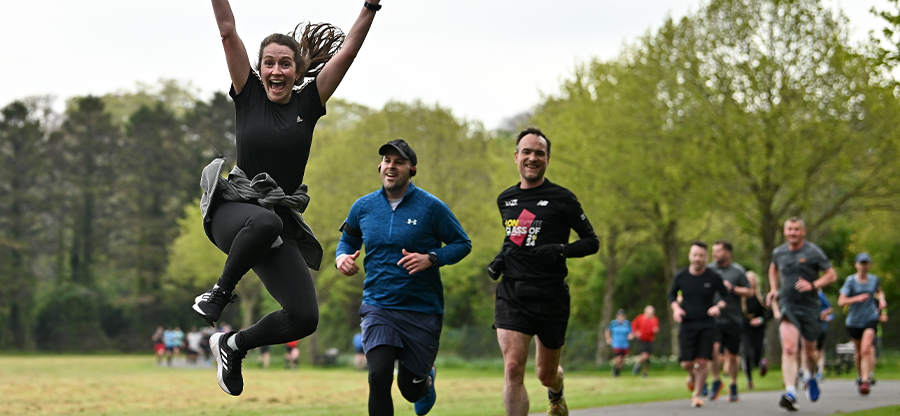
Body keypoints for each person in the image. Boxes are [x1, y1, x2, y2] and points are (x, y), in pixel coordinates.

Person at [190, 0, 384, 396]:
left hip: (274, 223)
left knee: (304, 317)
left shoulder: (308, 103)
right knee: (265, 221)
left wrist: (370, 6)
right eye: (269, 63)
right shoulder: (248, 94)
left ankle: (233, 345)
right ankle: (218, 295)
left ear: (297, 71)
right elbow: (227, 29)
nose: (276, 71)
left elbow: (348, 51)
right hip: (232, 212)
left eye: (284, 64)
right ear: (259, 69)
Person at [336, 139, 472, 416]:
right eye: (387, 160)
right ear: (379, 167)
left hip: (421, 309)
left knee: (410, 390)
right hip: (378, 306)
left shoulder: (432, 207)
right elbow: (347, 241)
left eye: (399, 161)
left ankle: (426, 378)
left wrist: (431, 258)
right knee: (378, 377)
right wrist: (342, 258)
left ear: (412, 169)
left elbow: (462, 243)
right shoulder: (363, 207)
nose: (391, 166)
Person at [488, 127, 599, 416]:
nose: (532, 158)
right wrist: (500, 260)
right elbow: (516, 237)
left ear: (548, 159)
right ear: (516, 157)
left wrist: (560, 250)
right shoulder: (506, 200)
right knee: (513, 368)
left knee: (545, 375)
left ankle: (556, 392)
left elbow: (592, 242)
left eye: (539, 153)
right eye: (527, 152)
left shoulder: (562, 198)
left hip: (550, 296)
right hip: (513, 293)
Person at [766, 217, 837, 411]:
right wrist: (773, 289)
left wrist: (813, 285)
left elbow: (832, 275)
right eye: (789, 229)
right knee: (789, 348)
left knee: (809, 352)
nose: (793, 233)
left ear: (803, 232)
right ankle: (790, 392)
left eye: (796, 230)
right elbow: (773, 269)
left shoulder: (813, 252)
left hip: (809, 306)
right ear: (784, 231)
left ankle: (811, 376)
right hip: (787, 304)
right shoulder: (778, 252)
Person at [668, 241, 729, 409]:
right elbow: (672, 295)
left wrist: (718, 307)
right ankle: (692, 375)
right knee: (687, 363)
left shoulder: (713, 277)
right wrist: (676, 310)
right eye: (694, 255)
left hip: (706, 323)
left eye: (701, 256)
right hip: (687, 323)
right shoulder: (681, 276)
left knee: (702, 361)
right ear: (689, 256)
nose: (697, 259)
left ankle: (697, 395)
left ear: (706, 257)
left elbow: (725, 296)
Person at [706, 241, 752, 402]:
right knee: (714, 350)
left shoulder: (738, 271)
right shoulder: (709, 270)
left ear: (728, 253)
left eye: (718, 251)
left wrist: (732, 288)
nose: (714, 254)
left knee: (732, 356)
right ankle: (716, 381)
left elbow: (749, 291)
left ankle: (732, 384)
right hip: (714, 319)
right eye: (713, 251)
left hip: (733, 319)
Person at [837, 252, 887, 396]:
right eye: (861, 263)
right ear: (856, 265)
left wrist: (882, 300)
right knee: (858, 353)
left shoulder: (873, 280)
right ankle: (860, 376)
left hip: (870, 318)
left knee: (866, 349)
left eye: (866, 263)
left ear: (869, 265)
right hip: (853, 321)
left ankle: (865, 381)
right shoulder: (850, 281)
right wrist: (857, 298)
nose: (863, 266)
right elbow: (841, 301)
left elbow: (879, 292)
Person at [740, 271, 771, 390]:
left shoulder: (761, 297)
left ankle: (761, 363)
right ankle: (749, 381)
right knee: (746, 354)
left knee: (757, 354)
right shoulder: (741, 298)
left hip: (758, 330)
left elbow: (770, 312)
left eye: (750, 279)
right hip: (745, 330)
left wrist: (761, 319)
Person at [631, 305, 660, 377]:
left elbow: (656, 328)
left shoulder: (655, 319)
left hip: (650, 340)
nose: (650, 314)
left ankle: (645, 373)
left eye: (652, 313)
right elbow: (633, 325)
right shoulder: (640, 318)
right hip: (642, 340)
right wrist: (636, 332)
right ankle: (637, 365)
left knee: (648, 358)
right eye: (649, 313)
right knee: (644, 355)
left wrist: (655, 330)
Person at [605, 309, 633, 377]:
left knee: (622, 361)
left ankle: (616, 371)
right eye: (619, 316)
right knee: (619, 358)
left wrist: (630, 336)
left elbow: (631, 332)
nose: (621, 317)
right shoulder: (613, 323)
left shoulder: (627, 323)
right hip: (616, 343)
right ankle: (615, 370)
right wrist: (608, 338)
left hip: (624, 344)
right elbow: (607, 331)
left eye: (622, 316)